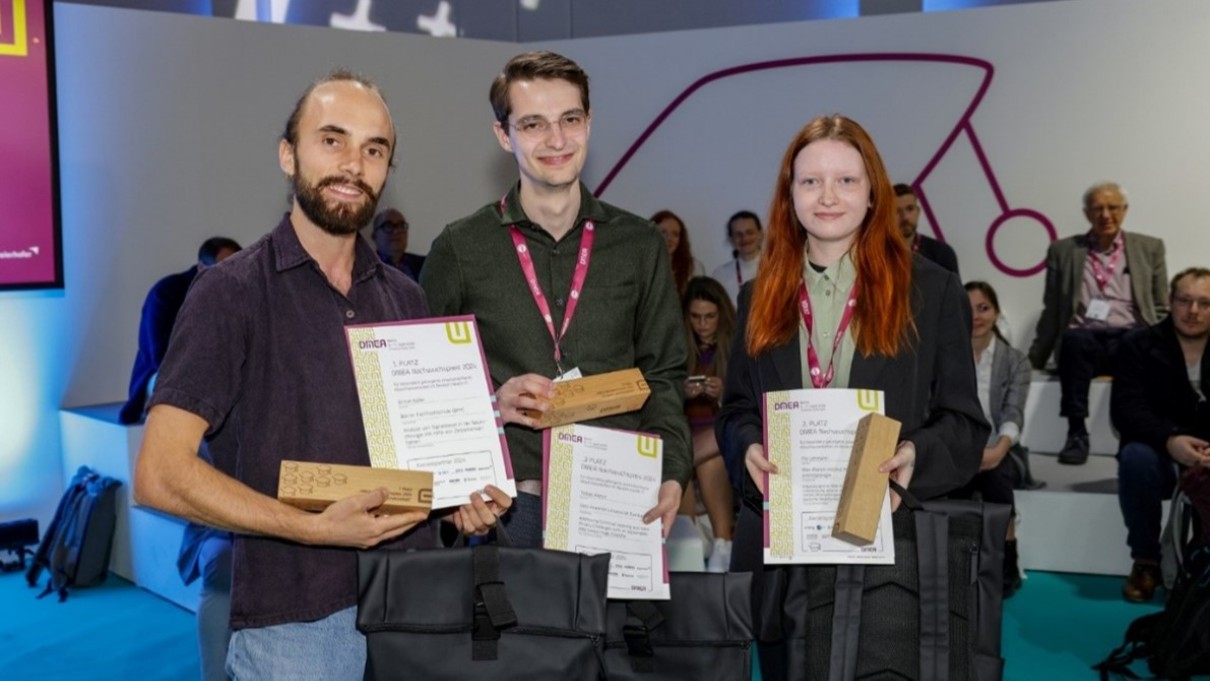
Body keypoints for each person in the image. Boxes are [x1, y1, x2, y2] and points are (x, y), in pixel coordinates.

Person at [133, 69, 508, 679]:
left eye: (374, 149)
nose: (353, 164)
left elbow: (417, 464)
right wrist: (311, 529)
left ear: (387, 170)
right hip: (295, 625)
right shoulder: (230, 293)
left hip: (413, 606)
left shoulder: (407, 299)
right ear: (289, 155)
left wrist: (459, 499)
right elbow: (159, 474)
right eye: (332, 140)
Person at [716, 114, 987, 680]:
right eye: (810, 181)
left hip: (886, 545)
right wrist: (746, 451)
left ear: (873, 194)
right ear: (789, 197)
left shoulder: (931, 290)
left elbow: (964, 424)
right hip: (783, 546)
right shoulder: (756, 295)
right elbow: (737, 410)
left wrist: (913, 458)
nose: (828, 196)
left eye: (846, 180)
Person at [421, 51, 691, 548]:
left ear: (589, 123)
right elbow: (422, 395)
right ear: (504, 135)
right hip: (510, 514)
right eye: (533, 124)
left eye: (570, 119)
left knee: (617, 630)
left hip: (620, 503)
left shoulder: (639, 243)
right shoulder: (461, 248)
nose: (557, 140)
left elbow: (665, 374)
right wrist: (490, 405)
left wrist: (673, 472)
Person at [1028, 182, 1168, 465]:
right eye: (1098, 208)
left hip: (1131, 335)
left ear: (1124, 210)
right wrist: (1033, 361)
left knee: (1136, 343)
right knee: (1074, 340)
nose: (1106, 214)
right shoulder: (1063, 250)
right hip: (1086, 338)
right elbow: (1053, 310)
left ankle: (1131, 435)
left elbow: (1161, 305)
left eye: (1113, 207)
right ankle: (1077, 433)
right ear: (1086, 213)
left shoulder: (1149, 248)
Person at [1110, 267, 1210, 602]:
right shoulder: (1138, 344)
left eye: (1204, 303)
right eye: (1185, 300)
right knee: (1135, 458)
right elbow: (1126, 410)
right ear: (1170, 301)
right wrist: (1170, 439)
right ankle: (1146, 561)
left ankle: (1200, 562)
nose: (1193, 311)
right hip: (1158, 447)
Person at [118, 237, 241, 424]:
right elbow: (162, 358)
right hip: (166, 377)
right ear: (202, 267)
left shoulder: (236, 296)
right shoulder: (167, 293)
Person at [961, 281, 1032, 597]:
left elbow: (1013, 414)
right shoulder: (944, 354)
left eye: (983, 307)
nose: (976, 316)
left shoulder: (1015, 360)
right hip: (956, 443)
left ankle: (1007, 560)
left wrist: (998, 449)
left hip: (1001, 447)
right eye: (969, 308)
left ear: (997, 312)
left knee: (997, 480)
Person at [679, 276, 736, 572]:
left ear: (721, 315)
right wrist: (681, 392)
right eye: (695, 317)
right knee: (699, 460)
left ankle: (713, 544)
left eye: (710, 317)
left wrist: (723, 392)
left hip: (721, 429)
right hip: (686, 431)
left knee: (685, 461)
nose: (702, 324)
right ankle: (714, 544)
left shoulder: (737, 345)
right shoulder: (677, 348)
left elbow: (750, 401)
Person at [892, 183, 959, 275]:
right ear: (886, 215)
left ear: (918, 211)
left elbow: (954, 289)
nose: (905, 217)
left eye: (910, 209)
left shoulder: (942, 253)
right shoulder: (876, 255)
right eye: (897, 211)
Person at [710, 210, 763, 304]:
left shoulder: (779, 269)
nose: (745, 238)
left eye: (750, 232)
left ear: (760, 234)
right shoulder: (720, 275)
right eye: (738, 234)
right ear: (731, 239)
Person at [652, 209, 706, 295]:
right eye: (663, 232)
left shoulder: (694, 267)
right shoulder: (638, 265)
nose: (669, 239)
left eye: (675, 234)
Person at [371, 207, 425, 281]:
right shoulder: (365, 268)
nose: (397, 231)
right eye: (388, 226)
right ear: (374, 236)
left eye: (402, 226)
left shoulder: (424, 265)